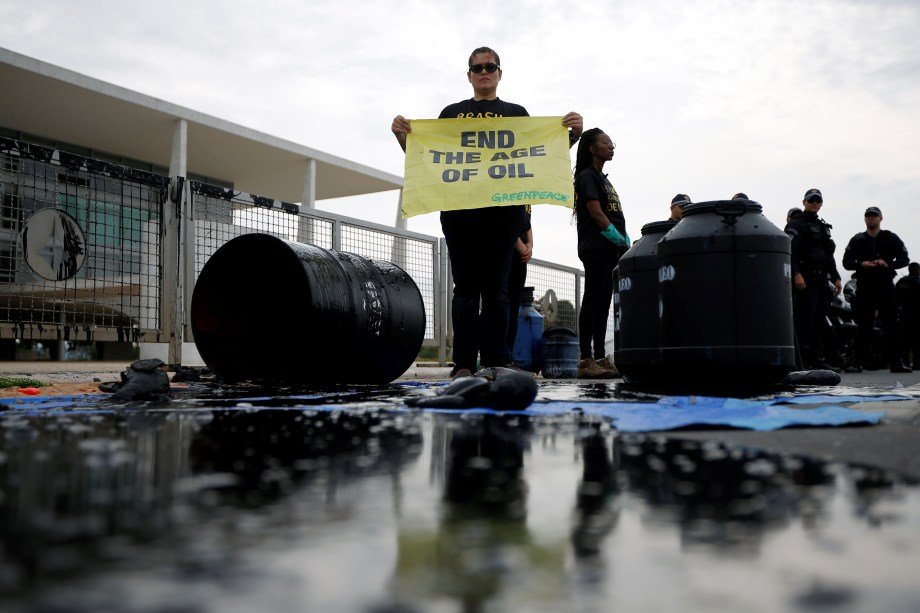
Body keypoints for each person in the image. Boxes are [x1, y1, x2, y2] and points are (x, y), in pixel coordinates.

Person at [391, 47, 583, 378]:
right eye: (477, 67)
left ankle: (498, 361)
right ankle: (464, 364)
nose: (484, 72)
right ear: (469, 75)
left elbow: (536, 158)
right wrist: (402, 139)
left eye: (490, 66)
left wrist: (573, 136)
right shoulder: (451, 113)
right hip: (460, 214)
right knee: (465, 291)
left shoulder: (516, 112)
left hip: (503, 215)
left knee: (498, 291)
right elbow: (430, 158)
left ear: (499, 73)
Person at [575, 128, 627, 378]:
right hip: (597, 246)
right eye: (607, 143)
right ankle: (585, 359)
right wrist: (615, 235)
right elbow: (596, 213)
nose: (612, 146)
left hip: (610, 248)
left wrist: (622, 238)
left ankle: (598, 357)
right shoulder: (587, 176)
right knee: (593, 298)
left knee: (603, 302)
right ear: (593, 149)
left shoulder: (603, 178)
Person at [843, 207, 912, 372]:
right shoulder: (857, 239)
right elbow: (846, 262)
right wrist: (861, 264)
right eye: (868, 216)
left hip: (885, 284)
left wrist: (888, 264)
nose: (871, 219)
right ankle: (857, 363)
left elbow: (905, 259)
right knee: (863, 325)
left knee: (891, 326)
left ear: (881, 218)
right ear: (865, 219)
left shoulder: (891, 237)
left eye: (874, 216)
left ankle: (896, 363)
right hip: (865, 286)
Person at [784, 188, 843, 370]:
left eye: (817, 201)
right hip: (805, 280)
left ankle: (817, 360)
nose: (815, 203)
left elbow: (828, 255)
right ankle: (802, 363)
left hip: (821, 281)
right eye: (811, 200)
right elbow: (789, 251)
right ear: (804, 202)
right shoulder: (796, 224)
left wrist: (836, 277)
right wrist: (796, 274)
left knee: (819, 323)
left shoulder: (823, 227)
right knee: (805, 322)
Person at [506, 206, 533, 357]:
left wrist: (530, 244)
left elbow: (528, 222)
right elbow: (504, 219)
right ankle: (498, 356)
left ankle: (509, 355)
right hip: (507, 249)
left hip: (520, 257)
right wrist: (521, 246)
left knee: (514, 305)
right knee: (502, 303)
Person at [897, 262, 920, 369]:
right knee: (917, 340)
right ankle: (917, 363)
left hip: (904, 314)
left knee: (905, 340)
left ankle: (905, 362)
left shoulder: (901, 281)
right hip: (916, 314)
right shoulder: (918, 281)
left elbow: (895, 296)